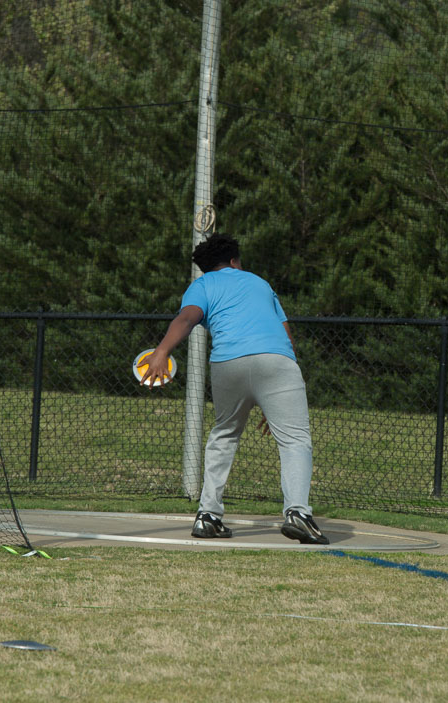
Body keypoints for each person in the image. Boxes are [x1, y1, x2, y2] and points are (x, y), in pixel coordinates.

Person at [141, 233, 328, 545]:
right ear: (233, 261)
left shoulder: (202, 285)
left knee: (224, 434)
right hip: (277, 361)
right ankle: (297, 513)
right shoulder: (260, 283)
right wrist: (280, 398)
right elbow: (286, 334)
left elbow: (187, 318)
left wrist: (161, 351)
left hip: (228, 362)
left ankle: (208, 516)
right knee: (295, 439)